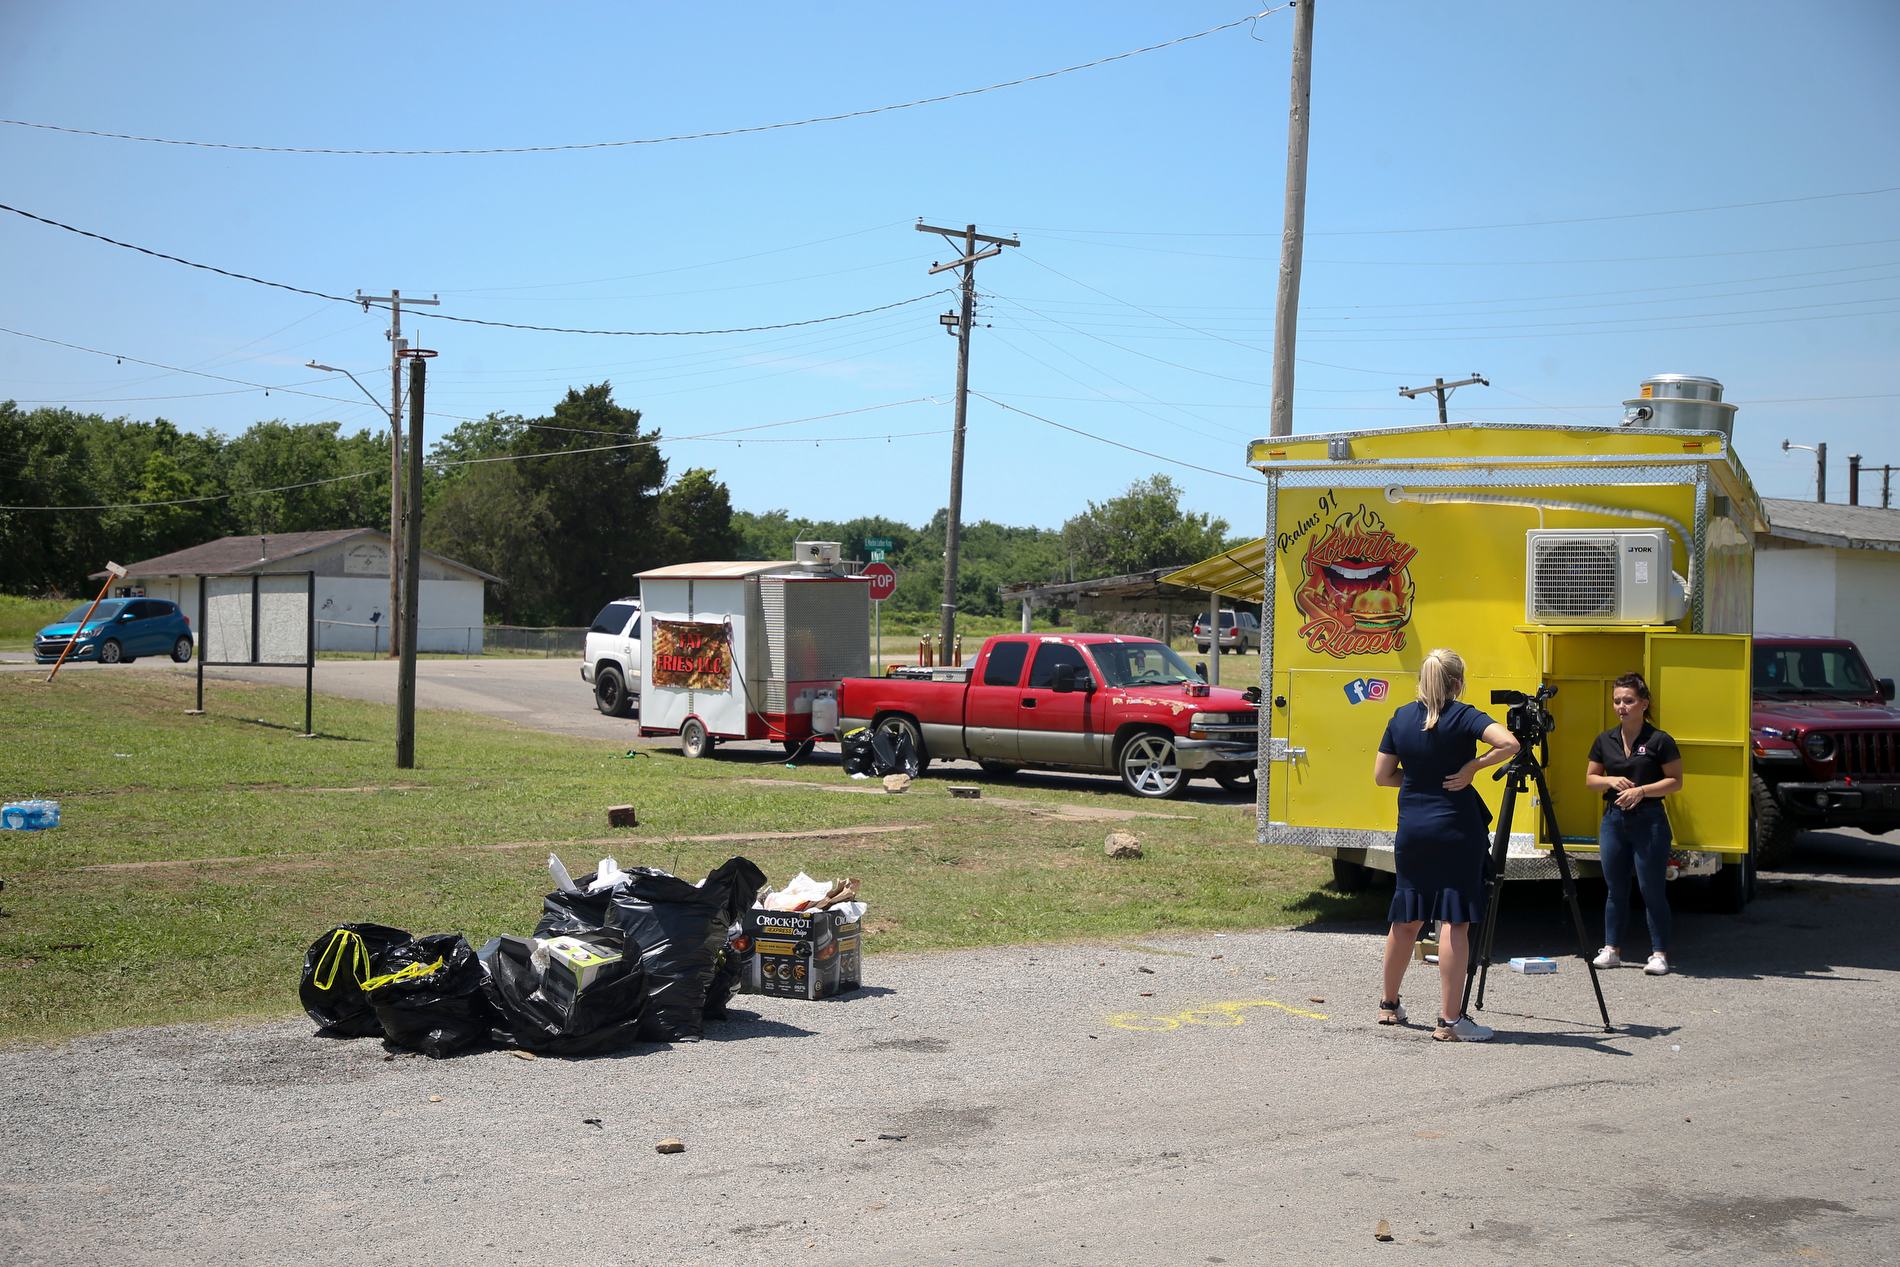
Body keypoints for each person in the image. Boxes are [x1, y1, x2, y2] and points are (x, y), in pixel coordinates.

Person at [1372, 648, 1521, 1042]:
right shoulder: (1464, 714)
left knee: (1406, 918)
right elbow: (1510, 744)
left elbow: (1382, 776)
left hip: (1413, 829)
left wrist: (1419, 777)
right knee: (1455, 920)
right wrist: (1472, 767)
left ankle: (1389, 1006)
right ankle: (1450, 1021)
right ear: (1457, 682)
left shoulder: (1401, 717)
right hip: (1456, 828)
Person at [1585, 671, 1684, 976]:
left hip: (1649, 820)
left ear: (1644, 703)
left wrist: (1641, 790)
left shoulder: (1660, 740)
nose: (1621, 707)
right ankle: (1611, 949)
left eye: (1628, 700)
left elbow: (1675, 782)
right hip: (1614, 821)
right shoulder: (1606, 739)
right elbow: (1591, 780)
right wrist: (1610, 780)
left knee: (1651, 889)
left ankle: (1658, 954)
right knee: (1615, 889)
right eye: (1617, 701)